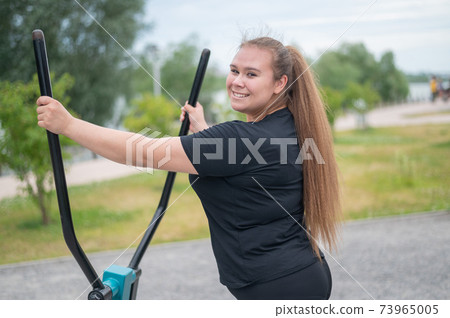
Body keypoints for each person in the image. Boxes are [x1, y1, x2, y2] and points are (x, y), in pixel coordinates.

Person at [36, 36, 341, 300]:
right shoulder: (288, 125)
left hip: (279, 288)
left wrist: (69, 125)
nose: (237, 81)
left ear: (280, 83)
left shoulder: (240, 138)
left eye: (251, 74)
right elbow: (243, 163)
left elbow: (144, 152)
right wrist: (204, 130)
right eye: (234, 70)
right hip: (301, 274)